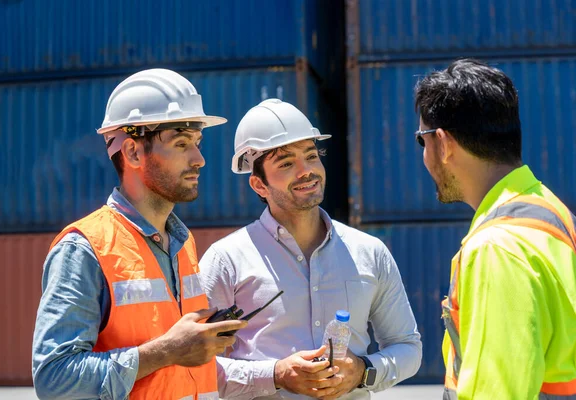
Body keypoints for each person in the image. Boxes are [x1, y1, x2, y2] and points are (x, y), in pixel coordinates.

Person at [32, 68, 247, 400]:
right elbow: (55, 380)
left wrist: (278, 374)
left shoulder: (182, 242)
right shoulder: (85, 249)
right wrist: (166, 350)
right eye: (181, 144)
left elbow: (185, 371)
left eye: (198, 143)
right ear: (133, 152)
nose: (200, 159)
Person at [199, 99, 422, 399]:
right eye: (287, 163)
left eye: (312, 156)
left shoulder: (369, 252)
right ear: (259, 185)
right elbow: (195, 366)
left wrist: (362, 371)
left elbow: (407, 347)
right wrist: (275, 375)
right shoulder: (226, 260)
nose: (307, 171)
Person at [414, 58, 576, 399]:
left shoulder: (496, 247)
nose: (424, 154)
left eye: (421, 140)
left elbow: (499, 391)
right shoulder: (551, 213)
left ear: (442, 143)